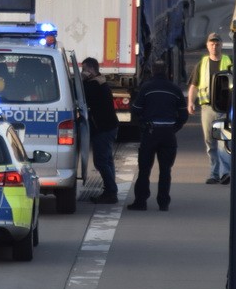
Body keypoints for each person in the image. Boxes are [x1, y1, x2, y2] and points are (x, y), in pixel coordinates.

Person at [127, 59, 188, 211]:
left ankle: (140, 202)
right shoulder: (175, 89)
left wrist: (142, 122)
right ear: (166, 70)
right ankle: (163, 202)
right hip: (168, 134)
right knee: (165, 170)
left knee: (144, 169)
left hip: (150, 132)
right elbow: (183, 114)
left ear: (153, 71)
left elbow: (135, 109)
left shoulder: (146, 88)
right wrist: (174, 128)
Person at [188, 32, 233, 185]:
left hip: (224, 108)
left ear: (221, 45)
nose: (215, 46)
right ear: (207, 46)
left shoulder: (228, 61)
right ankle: (214, 173)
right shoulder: (203, 63)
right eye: (212, 44)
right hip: (207, 108)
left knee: (223, 140)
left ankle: (225, 173)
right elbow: (194, 85)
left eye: (217, 43)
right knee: (210, 142)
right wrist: (190, 102)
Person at [80, 57, 119, 204]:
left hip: (103, 128)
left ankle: (111, 191)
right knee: (107, 160)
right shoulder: (100, 82)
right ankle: (110, 190)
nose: (82, 72)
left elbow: (82, 95)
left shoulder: (94, 85)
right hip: (109, 126)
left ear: (90, 70)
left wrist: (82, 80)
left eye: (84, 70)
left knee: (101, 162)